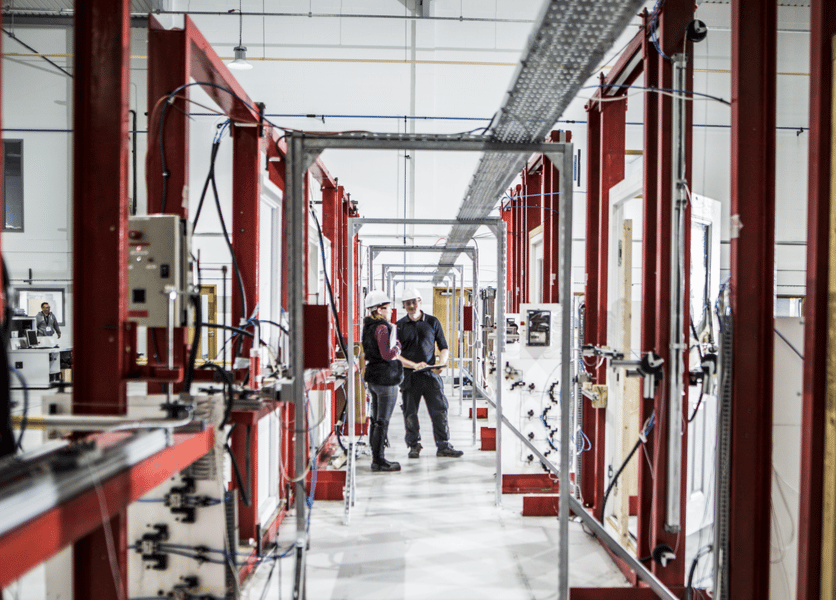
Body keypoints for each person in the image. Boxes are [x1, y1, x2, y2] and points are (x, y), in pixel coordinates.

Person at [396, 287, 463, 459]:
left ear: (419, 301)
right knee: (410, 412)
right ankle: (414, 445)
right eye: (408, 303)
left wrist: (442, 361)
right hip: (410, 377)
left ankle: (443, 445)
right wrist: (413, 365)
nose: (412, 305)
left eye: (414, 302)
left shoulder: (432, 322)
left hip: (430, 375)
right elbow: (396, 354)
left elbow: (444, 347)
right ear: (404, 305)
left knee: (439, 410)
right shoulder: (399, 326)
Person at [361, 290, 404, 472]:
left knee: (376, 419)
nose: (390, 311)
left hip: (374, 378)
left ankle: (376, 457)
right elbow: (387, 354)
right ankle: (379, 460)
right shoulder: (382, 328)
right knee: (382, 421)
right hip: (386, 378)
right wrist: (398, 348)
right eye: (387, 308)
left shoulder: (368, 327)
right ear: (378, 310)